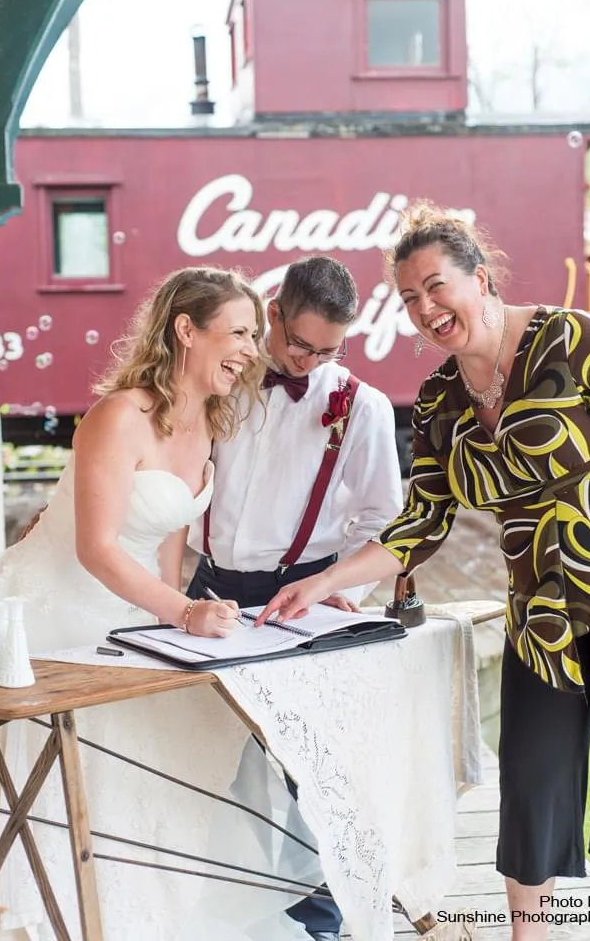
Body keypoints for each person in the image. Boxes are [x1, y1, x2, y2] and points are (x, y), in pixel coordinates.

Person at [260, 206, 590, 941]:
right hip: (540, 621)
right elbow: (418, 524)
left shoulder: (578, 342)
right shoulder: (439, 403)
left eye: (436, 287)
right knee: (531, 785)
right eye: (409, 299)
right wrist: (322, 583)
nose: (426, 309)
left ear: (479, 279)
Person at [0, 268, 323, 941]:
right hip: (50, 617)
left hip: (128, 618)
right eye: (239, 332)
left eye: (254, 334)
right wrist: (182, 615)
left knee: (167, 770)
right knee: (77, 787)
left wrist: (177, 621)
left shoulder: (208, 423)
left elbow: (164, 554)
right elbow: (97, 548)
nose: (252, 349)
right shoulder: (118, 417)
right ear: (187, 330)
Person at [187, 254, 404, 941]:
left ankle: (318, 920)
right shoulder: (221, 382)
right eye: (298, 344)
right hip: (209, 591)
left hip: (297, 600)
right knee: (216, 759)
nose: (308, 362)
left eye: (327, 350)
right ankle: (232, 906)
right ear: (271, 311)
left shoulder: (359, 407)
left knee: (305, 765)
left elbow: (382, 518)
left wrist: (345, 588)